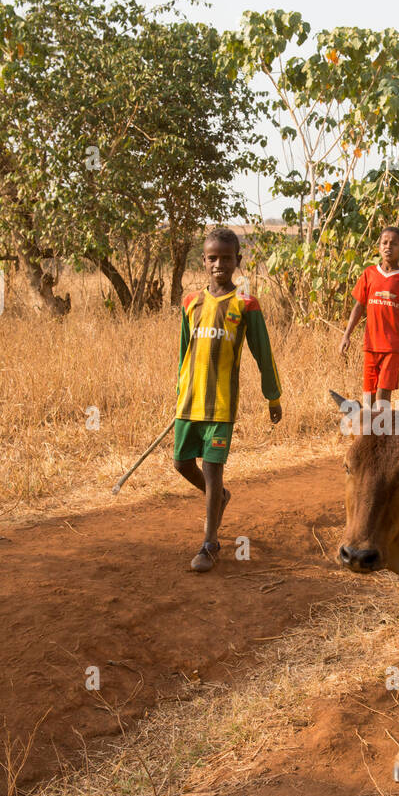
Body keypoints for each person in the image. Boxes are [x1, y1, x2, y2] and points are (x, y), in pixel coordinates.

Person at [173, 228, 283, 573]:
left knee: (212, 468)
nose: (219, 263)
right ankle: (217, 496)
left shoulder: (245, 304)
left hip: (221, 405)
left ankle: (209, 544)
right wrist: (180, 391)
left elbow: (263, 354)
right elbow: (184, 353)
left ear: (238, 260)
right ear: (204, 261)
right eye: (212, 257)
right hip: (188, 404)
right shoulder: (191, 302)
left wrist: (273, 396)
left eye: (226, 257)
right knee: (181, 464)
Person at [339, 227, 399, 408]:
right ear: (379, 247)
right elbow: (358, 306)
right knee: (368, 397)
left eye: (394, 244)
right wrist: (346, 335)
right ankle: (370, 434)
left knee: (382, 395)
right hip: (370, 345)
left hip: (393, 347)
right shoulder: (369, 274)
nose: (388, 247)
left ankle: (382, 434)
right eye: (384, 243)